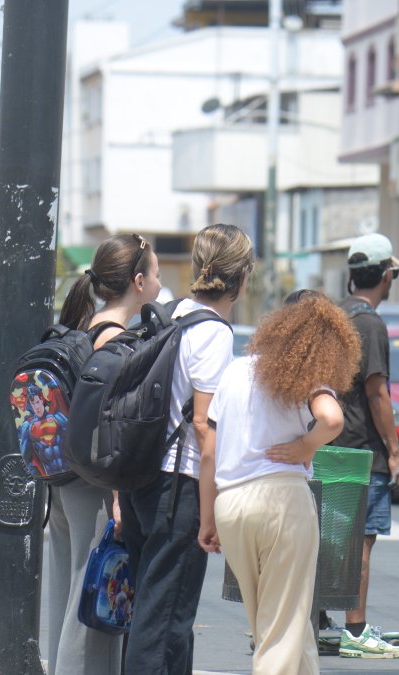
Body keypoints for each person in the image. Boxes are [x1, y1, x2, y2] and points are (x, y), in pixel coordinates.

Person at [201, 293, 361, 674]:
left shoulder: (236, 371)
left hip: (231, 504)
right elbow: (333, 419)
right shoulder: (309, 377)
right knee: (282, 630)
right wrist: (305, 446)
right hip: (282, 503)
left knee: (277, 626)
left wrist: (207, 519)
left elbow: (209, 452)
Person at [119, 223, 254, 674]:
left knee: (158, 614)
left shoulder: (174, 312)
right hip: (180, 487)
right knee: (165, 620)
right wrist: (211, 511)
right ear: (243, 275)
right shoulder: (214, 332)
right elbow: (204, 424)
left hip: (143, 478)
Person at [49, 232, 162, 675]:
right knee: (90, 607)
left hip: (62, 482)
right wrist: (118, 495)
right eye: (154, 273)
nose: (157, 282)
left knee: (67, 594)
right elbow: (110, 428)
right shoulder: (117, 342)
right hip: (95, 487)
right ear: (137, 280)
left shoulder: (85, 328)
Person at [329, 233, 399, 658]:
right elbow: (378, 394)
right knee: (362, 541)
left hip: (328, 443)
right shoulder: (371, 324)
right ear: (385, 276)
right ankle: (356, 631)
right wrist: (395, 454)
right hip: (363, 449)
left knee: (331, 539)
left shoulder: (335, 317)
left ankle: (323, 623)